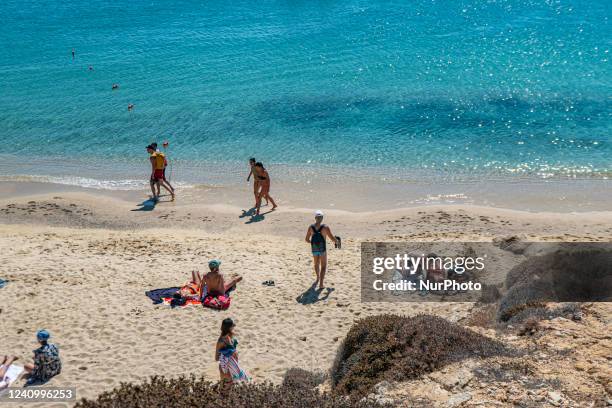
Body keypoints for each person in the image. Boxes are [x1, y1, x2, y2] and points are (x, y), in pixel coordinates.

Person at [305, 210, 338, 290]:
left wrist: (313, 243)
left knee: (316, 263)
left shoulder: (311, 227)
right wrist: (337, 241)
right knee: (323, 266)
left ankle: (317, 277)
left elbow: (306, 239)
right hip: (322, 248)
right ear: (322, 218)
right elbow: (332, 238)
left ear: (315, 218)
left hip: (314, 248)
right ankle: (321, 284)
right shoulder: (325, 227)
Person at [215, 318, 249, 385]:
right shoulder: (224, 340)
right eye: (232, 326)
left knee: (227, 387)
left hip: (230, 366)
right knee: (228, 388)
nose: (233, 327)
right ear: (229, 328)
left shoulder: (225, 338)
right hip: (227, 367)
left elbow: (216, 357)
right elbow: (216, 358)